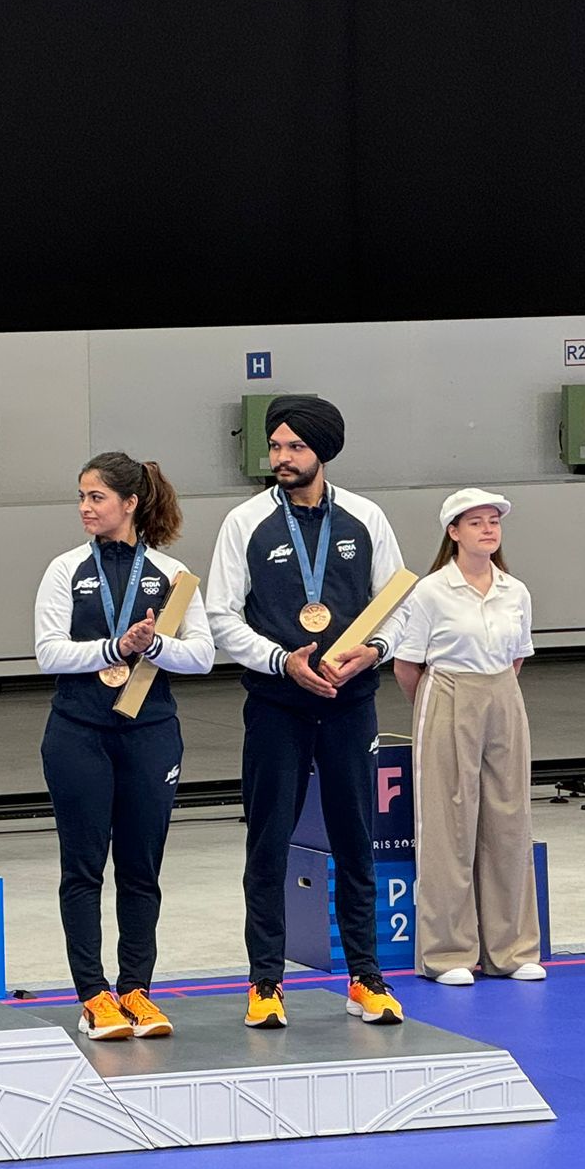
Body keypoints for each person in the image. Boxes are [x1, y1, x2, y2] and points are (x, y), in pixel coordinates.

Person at [205, 396, 409, 1028]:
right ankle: (265, 982)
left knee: (355, 841)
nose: (281, 459)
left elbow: (399, 604)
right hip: (277, 706)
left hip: (350, 704)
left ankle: (364, 978)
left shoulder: (366, 517)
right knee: (267, 843)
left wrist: (373, 650)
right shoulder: (245, 521)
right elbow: (219, 615)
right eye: (274, 447)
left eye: (293, 447)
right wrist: (279, 660)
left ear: (322, 450)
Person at [34, 455, 214, 1041]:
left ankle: (136, 989)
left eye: (97, 497)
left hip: (151, 733)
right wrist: (116, 646)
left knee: (142, 870)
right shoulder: (65, 569)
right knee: (83, 869)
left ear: (131, 503)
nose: (86, 507)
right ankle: (93, 995)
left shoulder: (171, 574)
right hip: (79, 734)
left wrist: (154, 643)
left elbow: (203, 656)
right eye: (81, 497)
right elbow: (50, 653)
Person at [391, 490, 545, 986]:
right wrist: (438, 714)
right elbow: (407, 664)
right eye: (475, 522)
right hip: (448, 690)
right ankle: (449, 951)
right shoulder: (432, 591)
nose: (487, 529)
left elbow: (518, 656)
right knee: (448, 822)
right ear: (453, 532)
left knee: (509, 818)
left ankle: (513, 949)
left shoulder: (514, 590)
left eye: (494, 521)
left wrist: (494, 694)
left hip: (502, 691)